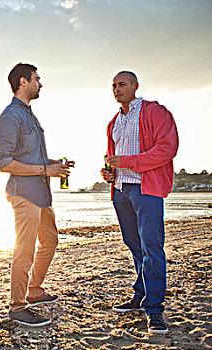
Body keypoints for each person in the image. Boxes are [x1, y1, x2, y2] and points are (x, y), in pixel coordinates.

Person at [0, 63, 74, 327]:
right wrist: (45, 169)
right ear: (23, 82)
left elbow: (31, 157)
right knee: (25, 251)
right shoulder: (10, 116)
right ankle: (18, 307)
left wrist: (54, 165)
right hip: (23, 195)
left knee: (50, 241)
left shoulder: (30, 115)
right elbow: (3, 162)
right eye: (36, 79)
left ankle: (35, 290)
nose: (40, 84)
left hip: (42, 194)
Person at [101, 71, 178, 334]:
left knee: (152, 248)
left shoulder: (155, 112)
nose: (116, 89)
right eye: (113, 85)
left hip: (146, 189)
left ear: (135, 85)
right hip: (121, 190)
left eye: (121, 84)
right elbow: (113, 158)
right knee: (135, 246)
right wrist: (110, 173)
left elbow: (167, 148)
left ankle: (155, 310)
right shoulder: (113, 123)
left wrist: (128, 162)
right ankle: (141, 294)